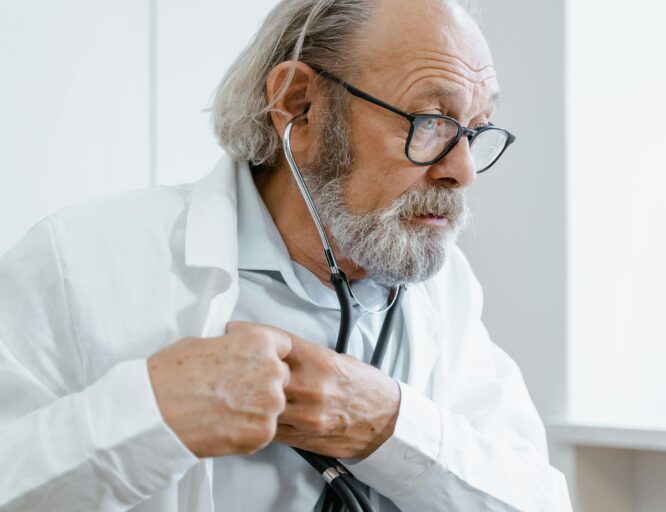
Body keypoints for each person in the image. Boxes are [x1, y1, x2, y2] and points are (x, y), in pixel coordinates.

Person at [0, 0, 572, 510]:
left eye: (475, 129)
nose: (463, 170)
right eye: (431, 122)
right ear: (300, 106)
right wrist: (153, 415)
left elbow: (536, 499)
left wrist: (383, 424)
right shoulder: (80, 258)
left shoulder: (444, 291)